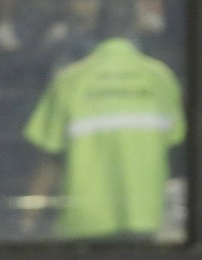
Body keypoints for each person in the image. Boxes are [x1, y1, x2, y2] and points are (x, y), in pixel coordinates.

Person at [21, 1, 185, 239]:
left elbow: (49, 159)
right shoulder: (160, 78)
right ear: (135, 24)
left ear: (94, 25)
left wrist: (28, 221)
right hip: (146, 220)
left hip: (83, 225)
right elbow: (175, 142)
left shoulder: (69, 81)